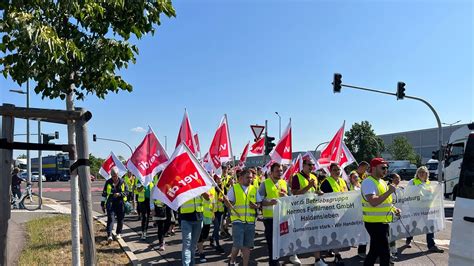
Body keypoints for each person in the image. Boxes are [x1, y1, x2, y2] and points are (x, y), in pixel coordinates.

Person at [361, 158, 400, 266]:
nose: (385, 170)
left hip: (382, 222)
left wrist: (394, 209)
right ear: (374, 168)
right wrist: (389, 192)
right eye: (382, 168)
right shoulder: (368, 182)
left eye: (387, 168)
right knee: (385, 253)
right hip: (374, 223)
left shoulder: (382, 182)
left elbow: (386, 202)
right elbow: (373, 202)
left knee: (374, 252)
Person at [291, 158, 326, 266]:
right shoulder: (297, 177)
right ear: (303, 165)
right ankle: (293, 254)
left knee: (315, 233)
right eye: (309, 165)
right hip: (301, 211)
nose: (311, 167)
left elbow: (315, 191)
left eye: (312, 165)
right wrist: (308, 186)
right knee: (298, 233)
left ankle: (317, 259)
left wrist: (319, 192)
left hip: (313, 211)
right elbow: (295, 193)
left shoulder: (314, 177)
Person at [226, 168, 261, 266]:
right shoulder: (234, 188)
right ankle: (232, 261)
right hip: (238, 221)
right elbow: (229, 203)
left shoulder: (254, 189)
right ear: (241, 178)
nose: (250, 179)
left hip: (250, 222)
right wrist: (226, 201)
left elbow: (259, 203)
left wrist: (256, 206)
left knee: (247, 247)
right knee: (237, 245)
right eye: (247, 177)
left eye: (251, 178)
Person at [405, 166, 444, 253]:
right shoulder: (413, 182)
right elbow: (408, 193)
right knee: (413, 225)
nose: (422, 174)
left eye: (424, 172)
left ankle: (431, 245)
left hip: (427, 209)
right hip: (416, 209)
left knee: (430, 227)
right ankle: (408, 239)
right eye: (420, 172)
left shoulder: (429, 183)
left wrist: (438, 189)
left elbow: (432, 195)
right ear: (417, 174)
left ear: (427, 174)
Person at [259, 162, 288, 266]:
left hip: (282, 217)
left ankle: (277, 261)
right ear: (271, 172)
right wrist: (269, 202)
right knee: (272, 243)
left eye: (281, 170)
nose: (280, 173)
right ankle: (273, 263)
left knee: (280, 242)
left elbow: (289, 199)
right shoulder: (265, 184)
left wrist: (285, 196)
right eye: (277, 171)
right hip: (270, 218)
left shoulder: (284, 183)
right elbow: (259, 201)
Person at [319, 163, 348, 265]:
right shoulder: (326, 182)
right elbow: (322, 200)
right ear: (330, 171)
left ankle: (330, 249)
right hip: (331, 214)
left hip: (342, 213)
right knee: (335, 235)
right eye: (334, 170)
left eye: (338, 170)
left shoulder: (343, 181)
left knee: (338, 235)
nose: (337, 172)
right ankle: (337, 255)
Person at [180, 192, 210, 266]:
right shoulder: (182, 184)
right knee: (187, 244)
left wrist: (202, 191)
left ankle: (192, 263)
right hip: (186, 218)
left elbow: (208, 197)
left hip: (198, 218)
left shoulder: (199, 183)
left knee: (193, 245)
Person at [101, 167, 128, 243]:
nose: (114, 178)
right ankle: (109, 235)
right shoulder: (108, 182)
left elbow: (127, 192)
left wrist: (120, 194)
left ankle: (118, 233)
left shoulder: (123, 182)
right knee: (111, 219)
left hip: (120, 203)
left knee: (120, 219)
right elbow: (104, 194)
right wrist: (102, 204)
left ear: (118, 175)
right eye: (112, 176)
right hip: (111, 203)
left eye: (115, 176)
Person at [197, 186, 215, 262]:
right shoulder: (199, 187)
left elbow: (213, 201)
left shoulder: (212, 188)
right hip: (200, 214)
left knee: (205, 235)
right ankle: (201, 253)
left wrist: (213, 212)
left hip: (208, 215)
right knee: (200, 235)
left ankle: (198, 246)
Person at [210, 174, 225, 253]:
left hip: (220, 210)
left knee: (217, 226)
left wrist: (222, 198)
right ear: (215, 179)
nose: (220, 180)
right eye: (218, 178)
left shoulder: (221, 186)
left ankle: (212, 238)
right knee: (217, 227)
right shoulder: (211, 187)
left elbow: (223, 196)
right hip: (213, 211)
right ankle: (217, 244)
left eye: (220, 178)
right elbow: (210, 199)